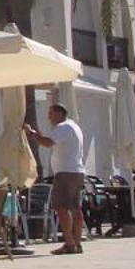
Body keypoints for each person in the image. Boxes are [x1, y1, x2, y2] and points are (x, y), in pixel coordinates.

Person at [24, 103, 87, 254]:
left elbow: (47, 143)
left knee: (62, 208)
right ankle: (77, 243)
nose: (49, 117)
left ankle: (70, 243)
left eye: (51, 113)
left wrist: (32, 133)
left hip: (65, 173)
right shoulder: (74, 126)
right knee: (76, 208)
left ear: (60, 113)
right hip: (77, 171)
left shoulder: (63, 127)